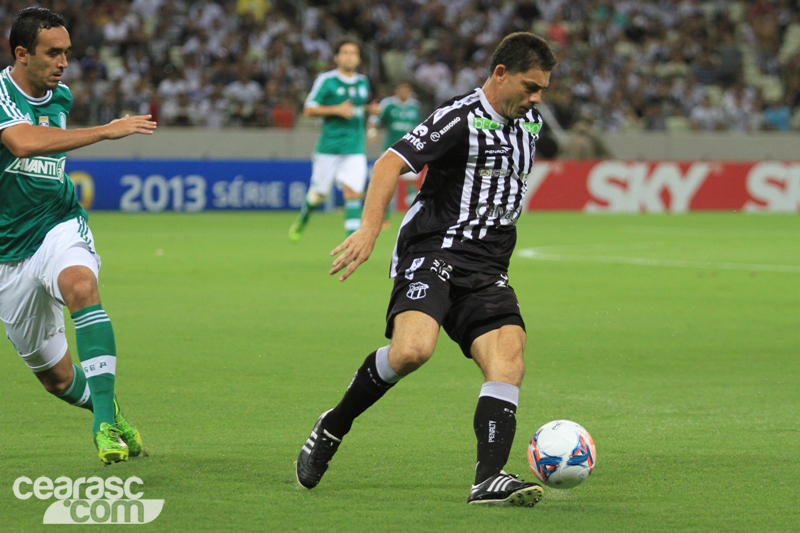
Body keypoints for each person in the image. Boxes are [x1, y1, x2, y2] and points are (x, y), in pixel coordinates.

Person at [296, 32, 558, 506]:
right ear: (500, 75)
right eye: (531, 86)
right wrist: (369, 231)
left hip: (488, 266)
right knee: (413, 350)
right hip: (433, 251)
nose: (538, 97)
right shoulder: (459, 118)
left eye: (542, 88)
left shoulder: (530, 122)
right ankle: (333, 424)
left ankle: (489, 478)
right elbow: (388, 164)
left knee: (509, 359)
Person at [0, 7, 156, 464]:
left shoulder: (61, 95)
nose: (64, 62)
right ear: (23, 53)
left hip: (58, 223)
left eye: (67, 52)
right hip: (9, 253)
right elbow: (24, 142)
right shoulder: (0, 92)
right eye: (54, 53)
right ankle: (109, 409)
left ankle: (103, 423)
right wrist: (107, 131)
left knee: (81, 286)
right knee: (58, 380)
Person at [289, 38, 371, 242]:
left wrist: (371, 113)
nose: (349, 56)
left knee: (353, 193)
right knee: (318, 195)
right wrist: (336, 110)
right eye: (345, 52)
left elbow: (356, 110)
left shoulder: (363, 82)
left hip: (354, 147)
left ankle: (352, 244)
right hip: (329, 147)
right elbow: (309, 108)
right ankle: (303, 218)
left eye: (353, 53)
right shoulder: (327, 80)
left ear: (359, 58)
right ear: (336, 57)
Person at [367, 80, 422, 213]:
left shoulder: (415, 106)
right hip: (390, 149)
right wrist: (372, 132)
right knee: (386, 182)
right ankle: (384, 216)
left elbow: (419, 127)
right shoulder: (389, 104)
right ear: (397, 91)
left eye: (407, 90)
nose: (404, 92)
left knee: (411, 183)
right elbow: (374, 120)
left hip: (410, 149)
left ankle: (413, 215)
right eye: (402, 89)